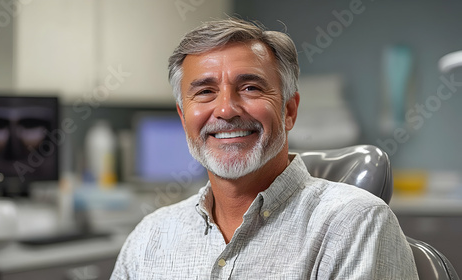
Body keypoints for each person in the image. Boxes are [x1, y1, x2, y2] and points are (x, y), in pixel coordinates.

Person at [111, 18, 418, 279]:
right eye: (205, 91)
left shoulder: (355, 224)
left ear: (289, 110)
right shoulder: (149, 238)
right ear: (183, 117)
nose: (226, 109)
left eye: (250, 87)